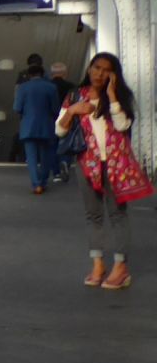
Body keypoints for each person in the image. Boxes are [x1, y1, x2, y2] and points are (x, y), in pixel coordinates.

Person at [56, 52, 152, 288]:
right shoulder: (74, 96)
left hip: (116, 165)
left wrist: (112, 97)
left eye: (106, 70)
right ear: (89, 68)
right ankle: (98, 264)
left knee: (117, 214)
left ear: (114, 74)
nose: (100, 73)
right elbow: (59, 131)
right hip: (87, 164)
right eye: (96, 67)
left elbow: (123, 125)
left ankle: (121, 267)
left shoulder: (119, 97)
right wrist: (72, 111)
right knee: (93, 215)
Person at [13, 62, 60, 194]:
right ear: (42, 73)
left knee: (31, 157)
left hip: (28, 126)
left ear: (29, 75)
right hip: (46, 125)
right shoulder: (51, 87)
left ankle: (36, 184)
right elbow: (55, 108)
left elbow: (17, 108)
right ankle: (43, 181)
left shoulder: (22, 88)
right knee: (46, 156)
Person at [50, 62, 75, 180]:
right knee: (67, 142)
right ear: (65, 74)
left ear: (52, 74)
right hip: (67, 117)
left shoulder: (48, 86)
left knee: (53, 145)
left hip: (51, 118)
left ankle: (56, 173)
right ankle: (65, 161)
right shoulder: (72, 87)